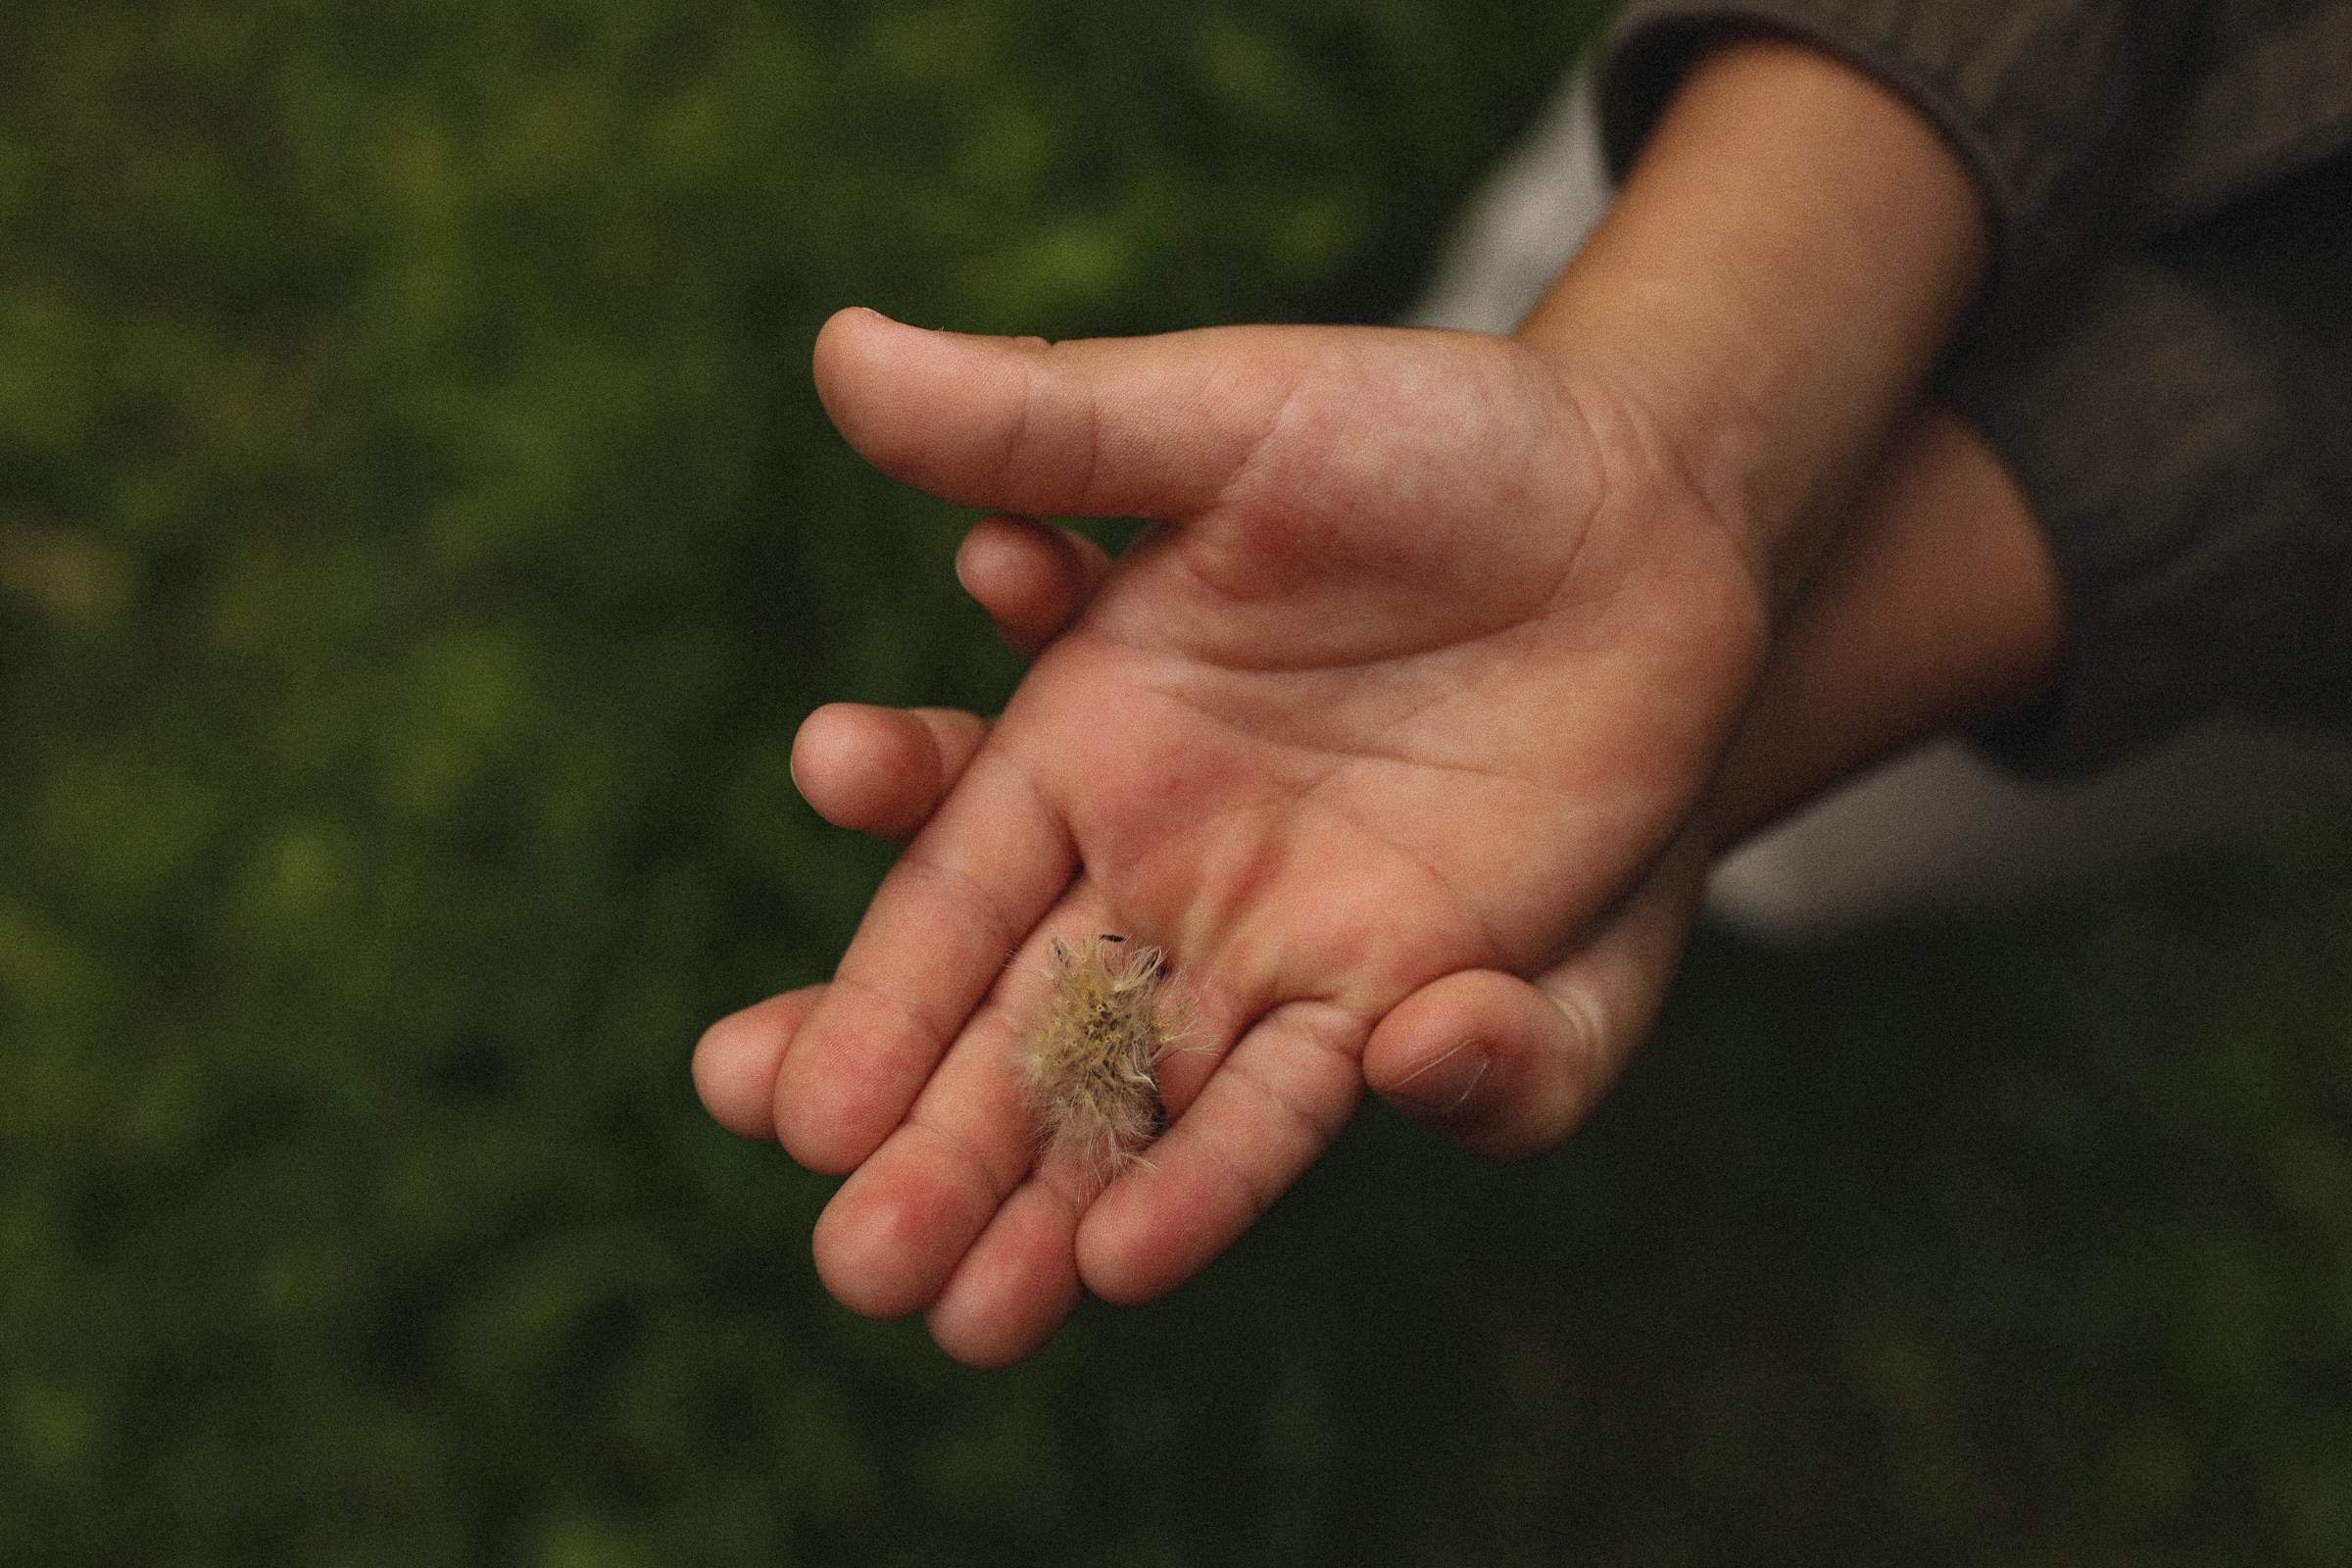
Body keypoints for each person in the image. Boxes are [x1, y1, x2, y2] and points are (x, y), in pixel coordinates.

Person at [695, 2, 2352, 1367]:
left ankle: (1714, 807)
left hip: (2244, 605)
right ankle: (1675, 751)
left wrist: (1732, 684)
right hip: (1794, 128)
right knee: (1531, 326)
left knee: (1830, 840)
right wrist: (1671, 414)